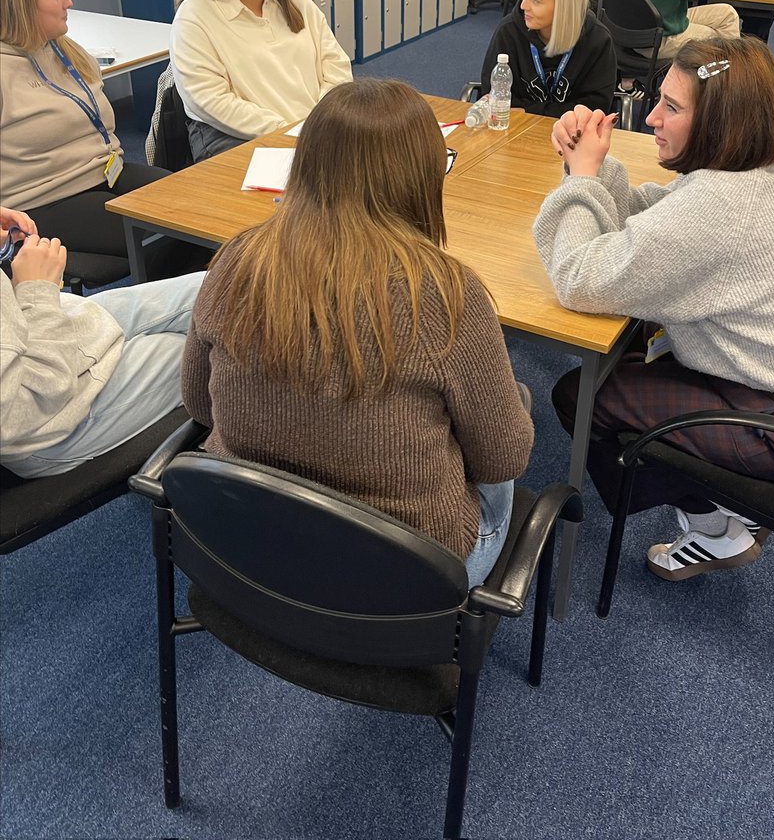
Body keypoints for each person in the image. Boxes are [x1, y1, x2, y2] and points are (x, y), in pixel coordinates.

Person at [533, 35, 774, 581]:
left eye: (671, 107)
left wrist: (581, 178)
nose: (651, 118)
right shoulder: (761, 168)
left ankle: (719, 530)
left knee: (583, 397)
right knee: (630, 361)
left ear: (721, 123)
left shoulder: (720, 210)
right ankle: (722, 501)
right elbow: (657, 219)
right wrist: (596, 168)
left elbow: (578, 278)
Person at [181, 79, 534, 586]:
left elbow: (198, 405)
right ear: (421, 176)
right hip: (402, 570)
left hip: (250, 535)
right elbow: (503, 457)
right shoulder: (446, 295)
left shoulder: (237, 258)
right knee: (512, 411)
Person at [0, 0, 193, 279]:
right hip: (45, 199)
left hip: (108, 172)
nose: (69, 2)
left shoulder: (64, 50)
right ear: (21, 4)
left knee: (200, 207)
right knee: (171, 234)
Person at [0, 205, 203, 479]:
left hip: (46, 329)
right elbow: (17, 414)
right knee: (208, 352)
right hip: (51, 420)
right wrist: (37, 290)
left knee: (221, 288)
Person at [170, 0, 352, 161]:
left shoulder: (296, 1)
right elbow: (210, 100)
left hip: (313, 130)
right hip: (243, 138)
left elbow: (336, 66)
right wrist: (287, 131)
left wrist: (321, 119)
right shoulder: (197, 15)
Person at [479, 0, 617, 118]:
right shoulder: (509, 32)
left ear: (563, 6)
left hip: (574, 135)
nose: (524, 6)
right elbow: (496, 98)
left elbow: (595, 108)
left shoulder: (597, 39)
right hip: (517, 129)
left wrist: (529, 110)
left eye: (536, 0)